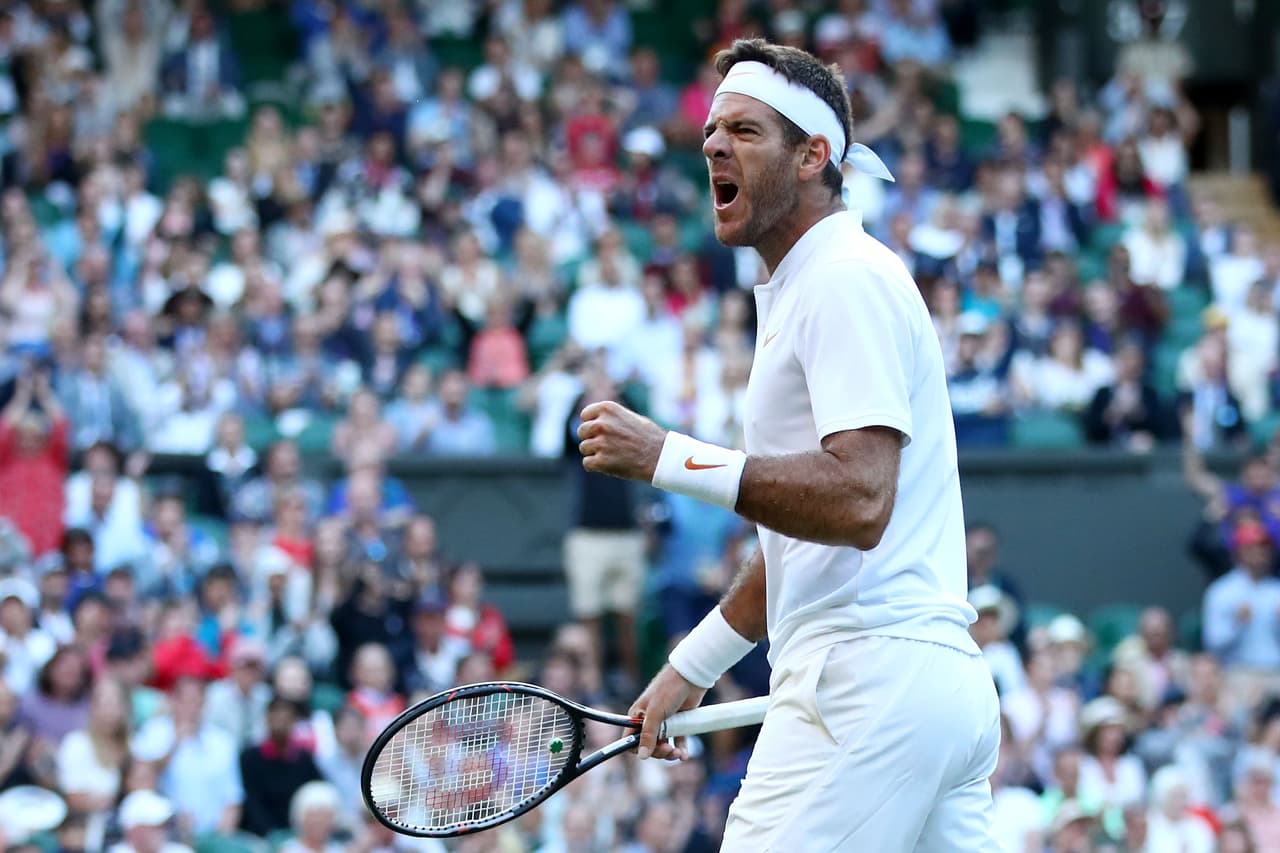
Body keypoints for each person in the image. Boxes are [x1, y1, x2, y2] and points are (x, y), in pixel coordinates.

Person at [573, 38, 999, 850]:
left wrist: (668, 458)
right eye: (709, 132)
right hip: (926, 689)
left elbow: (860, 498)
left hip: (866, 683)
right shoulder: (814, 284)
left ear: (813, 156)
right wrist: (692, 666)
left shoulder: (843, 277)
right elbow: (804, 536)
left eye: (743, 130)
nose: (712, 146)